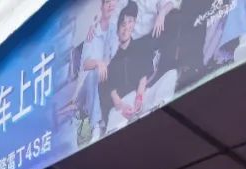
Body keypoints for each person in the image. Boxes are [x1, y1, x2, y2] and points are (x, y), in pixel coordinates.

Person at [101, 2, 179, 134]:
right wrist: (122, 106)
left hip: (142, 95)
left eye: (130, 23)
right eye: (123, 25)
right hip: (125, 103)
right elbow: (111, 90)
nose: (126, 28)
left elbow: (143, 76)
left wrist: (139, 97)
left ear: (134, 24)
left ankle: (154, 112)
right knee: (114, 116)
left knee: (171, 75)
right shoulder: (112, 60)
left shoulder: (139, 47)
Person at [74, 0, 120, 139]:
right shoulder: (92, 31)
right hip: (86, 86)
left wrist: (105, 64)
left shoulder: (114, 29)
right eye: (107, 2)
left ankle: (100, 121)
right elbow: (86, 64)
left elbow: (116, 56)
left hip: (105, 79)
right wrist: (99, 63)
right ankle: (96, 126)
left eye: (113, 2)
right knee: (95, 73)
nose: (111, 4)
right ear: (101, 6)